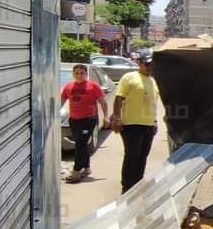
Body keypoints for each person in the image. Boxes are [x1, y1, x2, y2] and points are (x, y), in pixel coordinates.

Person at [111, 51, 159, 193]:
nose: (149, 67)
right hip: (131, 124)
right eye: (147, 64)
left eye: (152, 65)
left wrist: (155, 121)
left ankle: (137, 186)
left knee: (143, 156)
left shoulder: (152, 80)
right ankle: (127, 188)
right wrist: (117, 118)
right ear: (139, 63)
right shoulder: (129, 77)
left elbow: (152, 103)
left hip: (148, 125)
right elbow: (119, 97)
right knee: (132, 156)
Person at [60, 64, 109, 183]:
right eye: (76, 73)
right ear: (73, 74)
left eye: (82, 73)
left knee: (80, 144)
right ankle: (86, 168)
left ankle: (76, 171)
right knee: (81, 143)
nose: (79, 75)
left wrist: (106, 117)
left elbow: (103, 102)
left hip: (88, 119)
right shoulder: (68, 87)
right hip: (74, 120)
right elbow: (61, 101)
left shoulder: (93, 86)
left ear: (86, 74)